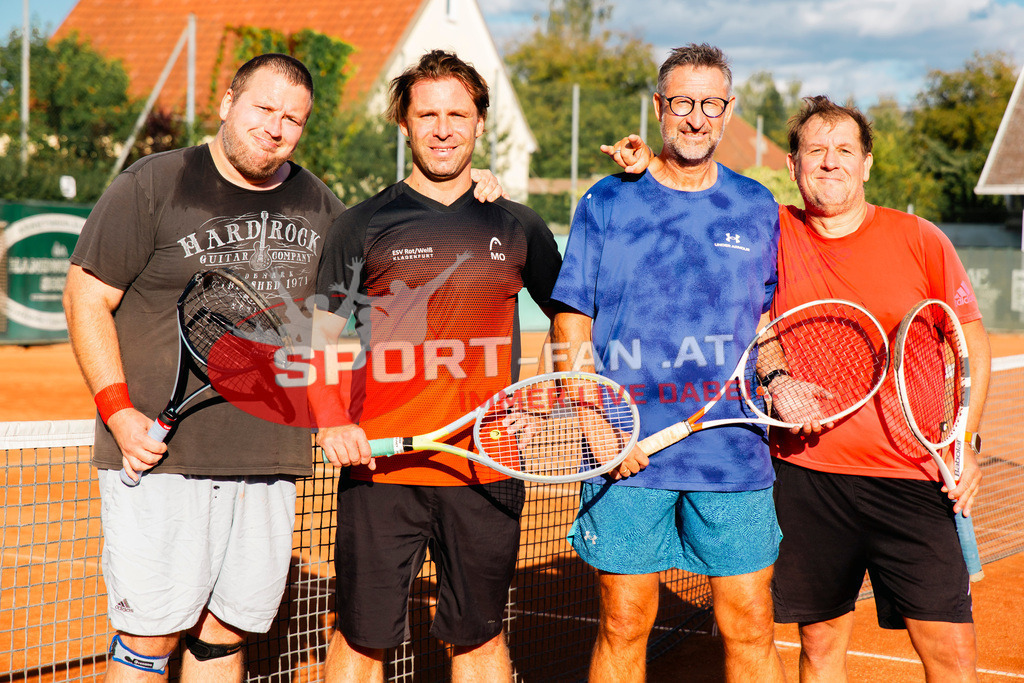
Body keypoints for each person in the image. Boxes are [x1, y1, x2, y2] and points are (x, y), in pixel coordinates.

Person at [605, 96, 990, 681]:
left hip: (913, 476)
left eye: (844, 151)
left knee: (953, 655)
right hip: (807, 476)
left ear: (866, 164)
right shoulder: (768, 227)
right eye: (816, 151)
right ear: (793, 164)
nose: (829, 163)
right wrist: (646, 166)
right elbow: (697, 209)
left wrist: (968, 440)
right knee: (819, 647)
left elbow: (971, 343)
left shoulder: (920, 238)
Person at [63, 53, 344, 681]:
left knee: (225, 635)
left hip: (269, 457)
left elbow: (323, 328)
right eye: (263, 109)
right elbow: (86, 294)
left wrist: (480, 186)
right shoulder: (155, 184)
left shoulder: (319, 203)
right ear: (227, 103)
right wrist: (118, 411)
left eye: (292, 119)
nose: (275, 128)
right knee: (150, 638)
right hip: (161, 459)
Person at [311, 50, 563, 682]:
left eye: (458, 113)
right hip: (381, 470)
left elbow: (569, 314)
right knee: (362, 640)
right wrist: (330, 420)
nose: (443, 127)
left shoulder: (518, 222)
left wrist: (546, 396)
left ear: (480, 123)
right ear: (405, 123)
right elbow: (318, 335)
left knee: (479, 640)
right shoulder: (361, 224)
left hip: (487, 467)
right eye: (428, 114)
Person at [550, 44, 787, 682]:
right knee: (624, 623)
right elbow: (573, 318)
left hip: (732, 446)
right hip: (624, 448)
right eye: (682, 102)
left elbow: (766, 324)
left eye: (711, 104)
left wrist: (781, 379)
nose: (695, 118)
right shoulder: (607, 201)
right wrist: (595, 420)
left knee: (750, 624)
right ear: (659, 108)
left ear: (729, 111)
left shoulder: (757, 206)